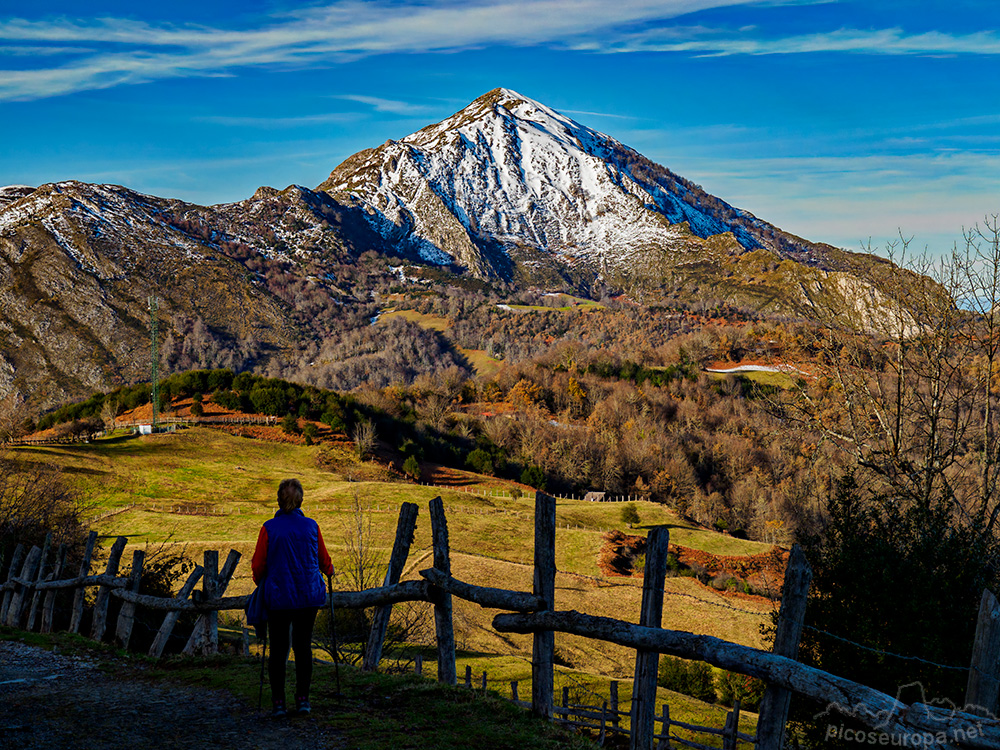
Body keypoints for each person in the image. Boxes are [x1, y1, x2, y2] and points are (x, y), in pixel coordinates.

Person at [252, 478, 334, 718]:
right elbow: (324, 560)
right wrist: (329, 571)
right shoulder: (311, 526)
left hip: (279, 597)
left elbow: (258, 564)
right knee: (303, 647)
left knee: (278, 649)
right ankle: (303, 700)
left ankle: (278, 703)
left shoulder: (269, 528)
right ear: (300, 500)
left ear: (278, 500)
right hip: (308, 596)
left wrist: (263, 584)